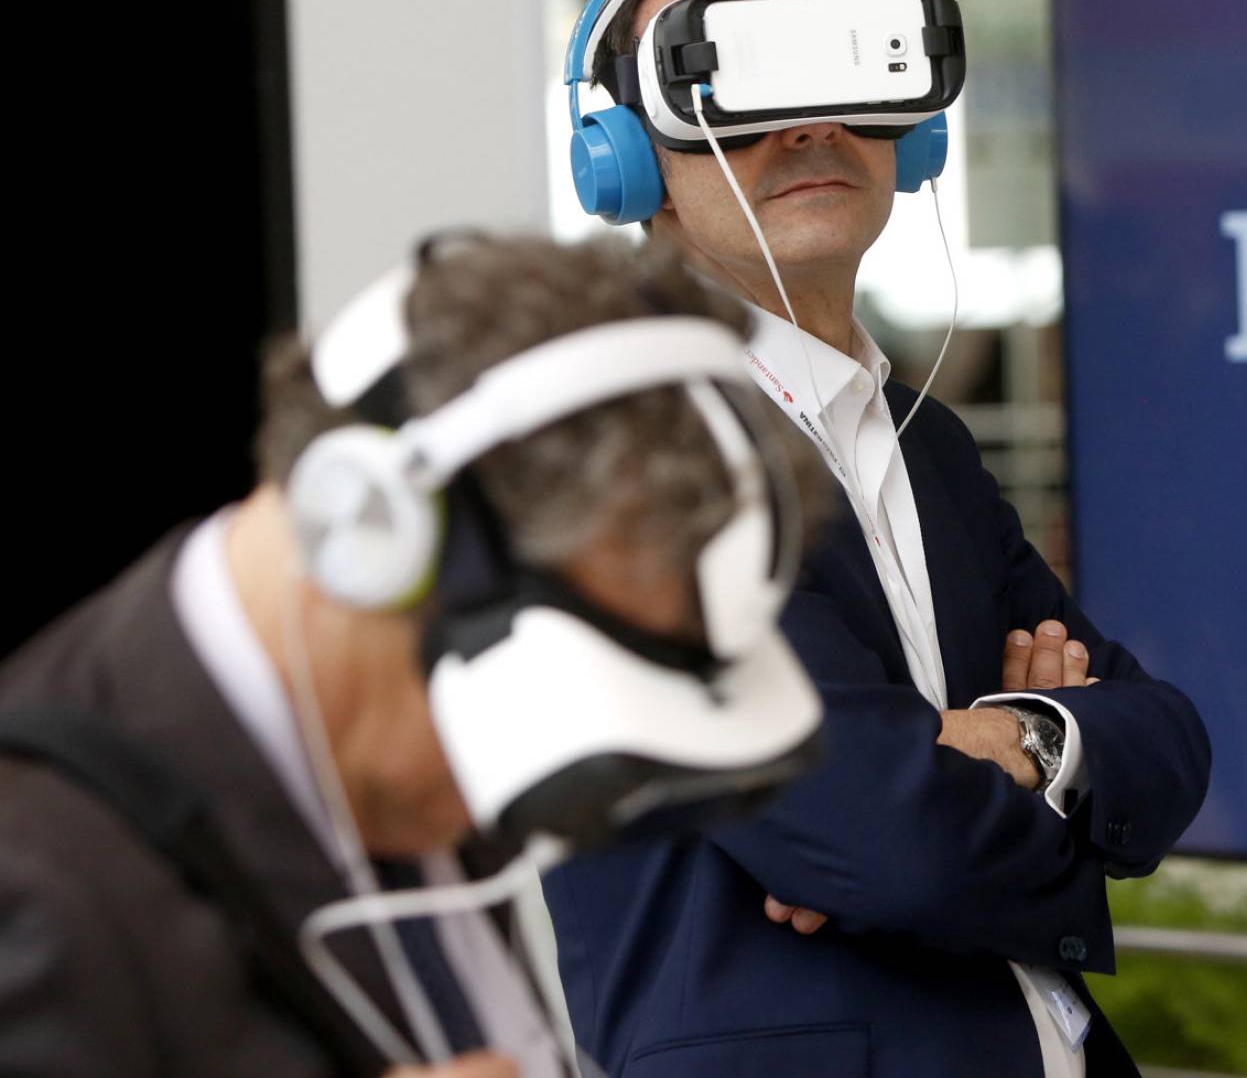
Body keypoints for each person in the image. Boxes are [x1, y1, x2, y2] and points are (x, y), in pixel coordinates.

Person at [545, 0, 1212, 1078]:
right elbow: (890, 842)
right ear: (624, 154)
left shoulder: (926, 442)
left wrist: (1015, 740)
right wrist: (981, 791)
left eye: (852, 68)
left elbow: (1166, 741)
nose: (810, 127)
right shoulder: (623, 454)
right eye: (734, 83)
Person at [0, 233, 828, 1078]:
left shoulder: (397, 767)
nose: (523, 781)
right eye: (549, 699)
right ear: (369, 536)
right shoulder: (37, 883)